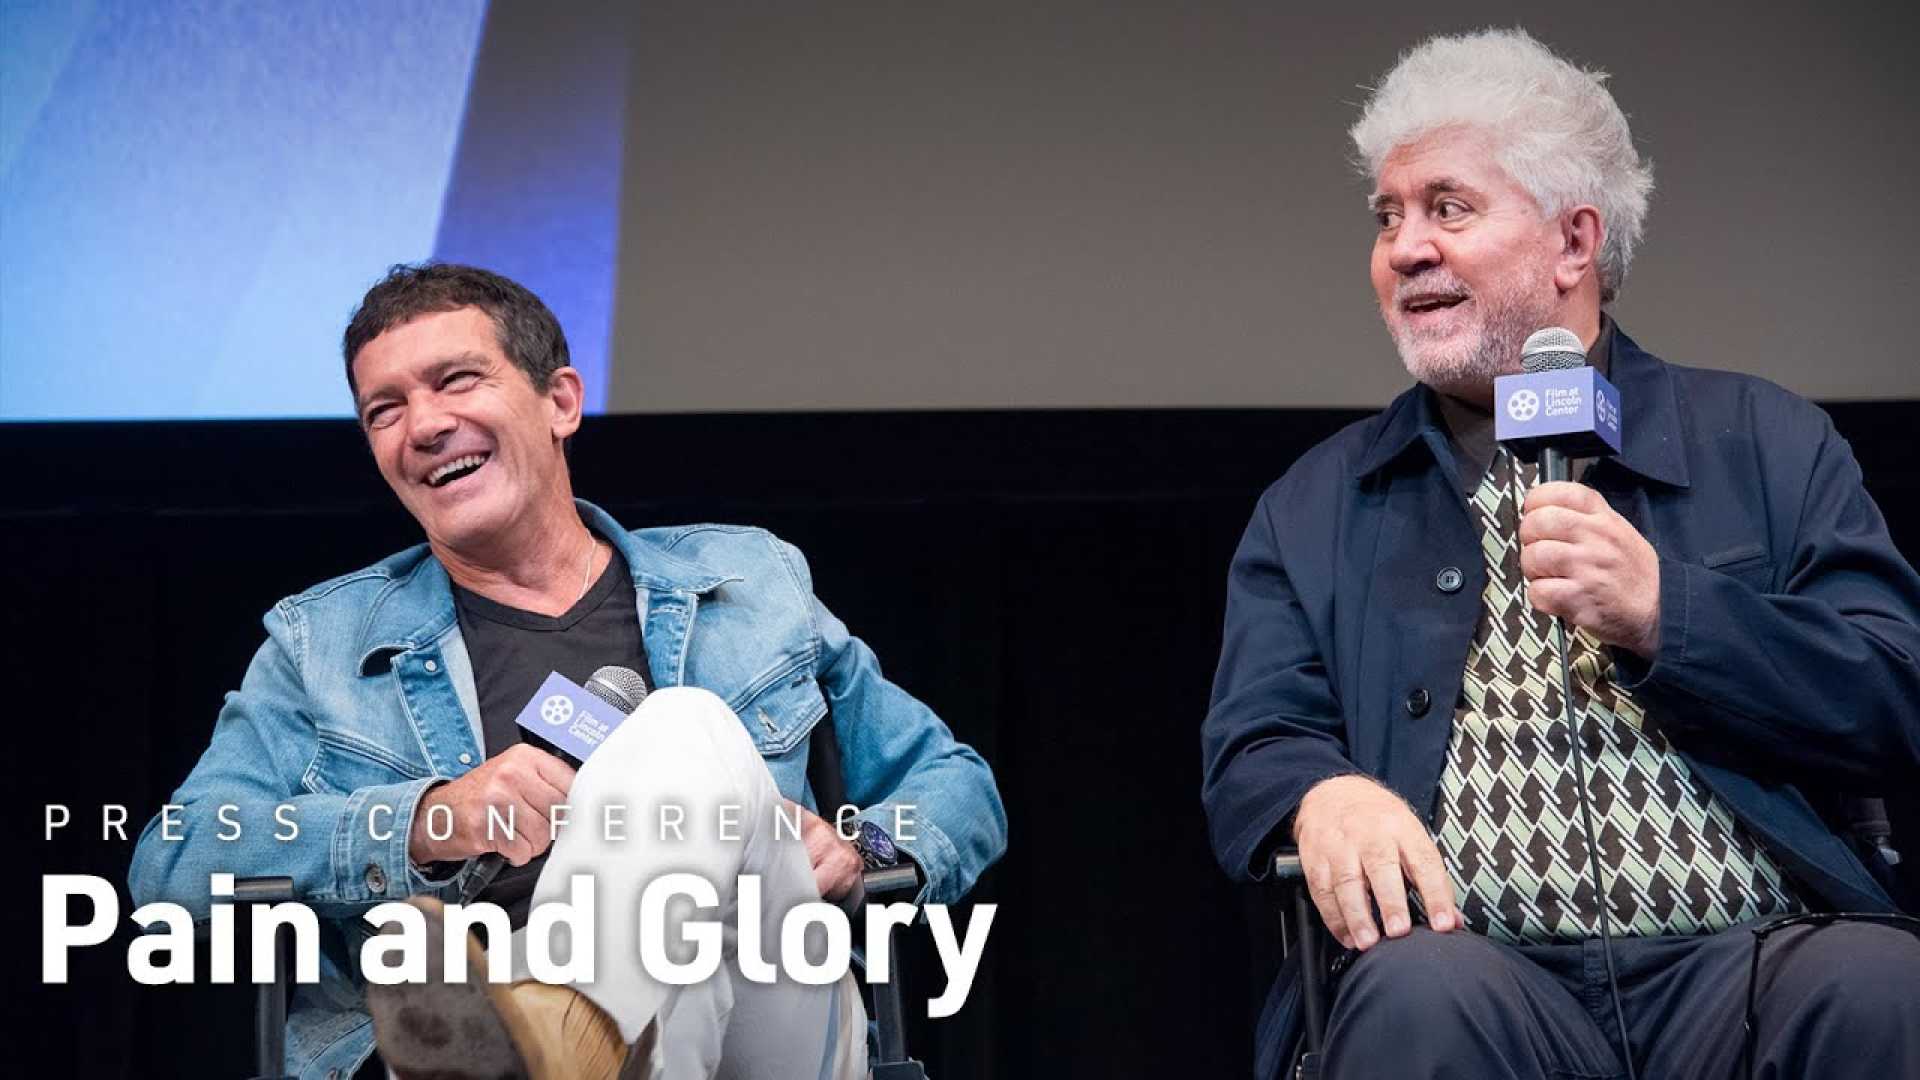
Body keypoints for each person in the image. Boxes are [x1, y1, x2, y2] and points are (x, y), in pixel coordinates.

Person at [1200, 28, 1920, 1080]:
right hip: (1475, 973)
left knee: (1882, 987)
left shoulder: (1764, 442)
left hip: (1750, 969)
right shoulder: (1315, 505)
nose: (1405, 248)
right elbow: (1252, 743)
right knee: (1412, 997)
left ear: (1574, 243)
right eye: (1388, 216)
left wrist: (1670, 613)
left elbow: (1894, 691)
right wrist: (1321, 796)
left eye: (1448, 207)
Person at [128, 263, 1007, 1080]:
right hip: (466, 1031)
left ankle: (578, 1029)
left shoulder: (751, 584)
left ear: (561, 401)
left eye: (457, 380)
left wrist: (863, 852)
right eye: (383, 410)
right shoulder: (320, 644)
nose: (424, 425)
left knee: (688, 724)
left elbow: (955, 785)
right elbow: (173, 860)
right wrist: (425, 822)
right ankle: (571, 1037)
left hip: (765, 1003)